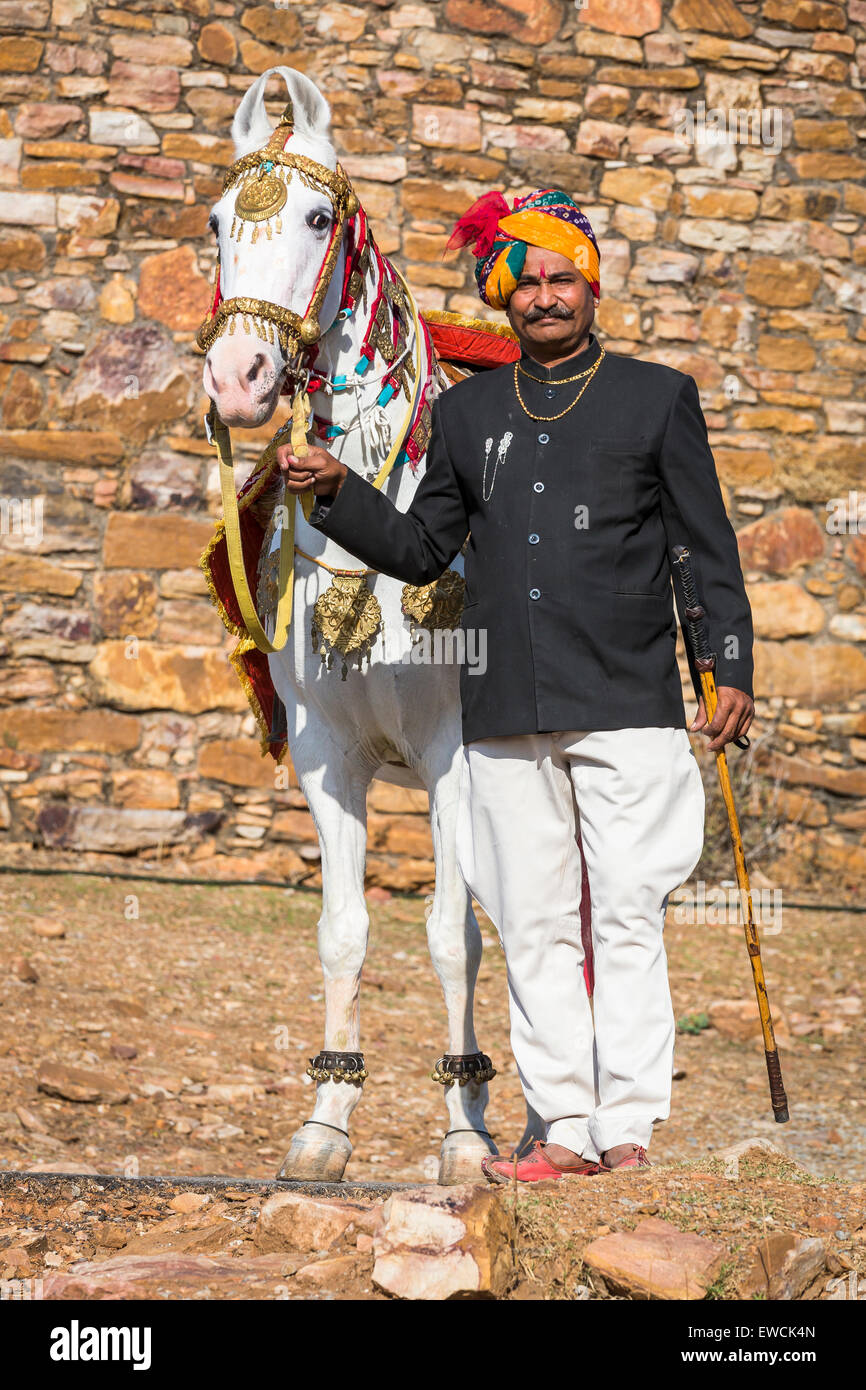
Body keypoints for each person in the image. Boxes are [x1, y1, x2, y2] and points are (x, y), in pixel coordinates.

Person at [274, 188, 754, 1179]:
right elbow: (417, 547)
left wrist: (727, 665)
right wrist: (334, 490)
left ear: (590, 284)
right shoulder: (466, 413)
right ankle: (562, 1130)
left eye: (559, 278)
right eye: (524, 281)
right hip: (502, 710)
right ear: (502, 298)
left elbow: (702, 549)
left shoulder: (655, 397)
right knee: (530, 922)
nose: (542, 296)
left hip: (626, 702)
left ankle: (625, 1125)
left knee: (622, 912)